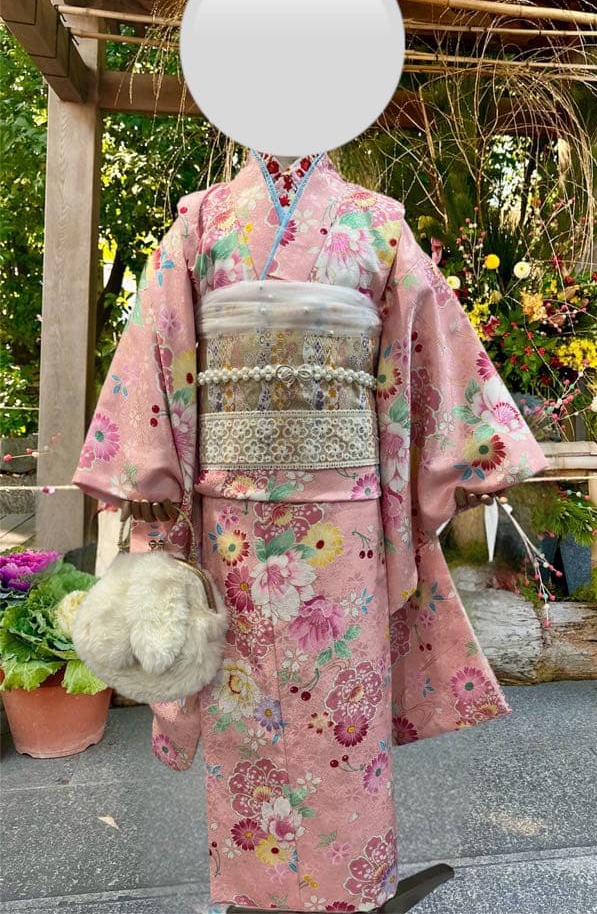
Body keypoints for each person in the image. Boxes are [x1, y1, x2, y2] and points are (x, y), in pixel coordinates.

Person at [73, 149, 548, 912]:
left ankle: (352, 886)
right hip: (230, 520)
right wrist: (151, 479)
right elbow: (159, 344)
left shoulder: (376, 222)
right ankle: (255, 891)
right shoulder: (201, 221)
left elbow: (425, 347)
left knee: (342, 712)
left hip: (345, 524)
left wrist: (467, 452)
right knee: (242, 706)